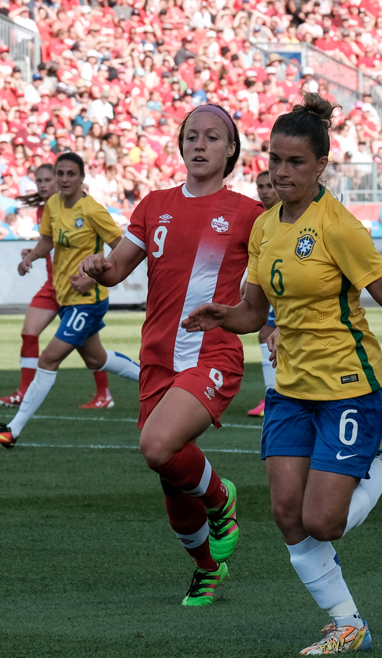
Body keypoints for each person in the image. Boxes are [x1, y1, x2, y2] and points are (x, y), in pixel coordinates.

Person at [181, 93, 382, 654]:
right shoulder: (265, 227)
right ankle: (348, 625)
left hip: (349, 387)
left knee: (323, 522)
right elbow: (254, 313)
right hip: (291, 389)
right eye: (275, 159)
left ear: (322, 165)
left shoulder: (339, 228)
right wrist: (222, 317)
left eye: (295, 162)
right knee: (285, 512)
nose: (282, 172)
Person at [78, 104, 266, 608]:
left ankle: (221, 498)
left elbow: (264, 288)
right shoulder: (154, 204)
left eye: (212, 137)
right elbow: (118, 269)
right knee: (167, 474)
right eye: (192, 136)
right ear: (181, 146)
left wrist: (266, 325)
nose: (200, 144)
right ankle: (207, 568)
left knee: (157, 446)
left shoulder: (250, 213)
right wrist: (97, 268)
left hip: (212, 355)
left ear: (231, 151)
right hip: (158, 357)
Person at [0, 152, 141, 448]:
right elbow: (48, 240)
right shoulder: (53, 204)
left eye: (71, 174)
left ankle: (12, 430)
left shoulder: (93, 210)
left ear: (82, 178)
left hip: (89, 300)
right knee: (98, 359)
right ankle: (158, 380)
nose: (64, 179)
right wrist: (29, 258)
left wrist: (93, 276)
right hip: (66, 297)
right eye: (61, 174)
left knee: (48, 358)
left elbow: (122, 248)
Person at [0, 164, 112, 410]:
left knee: (91, 354)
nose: (42, 184)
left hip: (76, 286)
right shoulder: (45, 209)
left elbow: (79, 242)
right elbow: (51, 241)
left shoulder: (83, 208)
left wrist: (93, 275)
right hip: (53, 285)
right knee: (29, 332)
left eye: (48, 179)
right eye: (39, 180)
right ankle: (24, 392)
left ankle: (106, 393)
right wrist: (33, 255)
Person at [247, 169, 280, 418]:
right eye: (261, 186)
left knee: (266, 333)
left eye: (269, 186)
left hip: (288, 286)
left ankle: (274, 396)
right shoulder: (260, 217)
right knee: (266, 334)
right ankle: (275, 394)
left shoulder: (288, 215)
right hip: (271, 285)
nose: (265, 191)